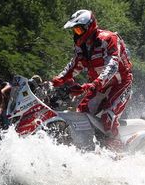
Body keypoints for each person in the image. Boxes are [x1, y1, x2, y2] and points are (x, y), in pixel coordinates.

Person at [51, 10, 133, 146]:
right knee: (80, 115)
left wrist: (94, 84)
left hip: (120, 83)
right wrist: (55, 81)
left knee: (108, 117)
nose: (76, 34)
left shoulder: (109, 39)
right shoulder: (81, 47)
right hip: (98, 85)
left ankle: (118, 150)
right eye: (74, 31)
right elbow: (73, 66)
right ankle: (86, 146)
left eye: (78, 30)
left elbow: (113, 65)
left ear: (89, 27)